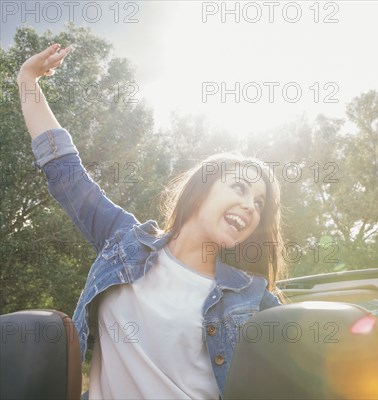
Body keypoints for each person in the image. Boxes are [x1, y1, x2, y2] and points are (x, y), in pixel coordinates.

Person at [17, 44, 286, 399]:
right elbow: (65, 171)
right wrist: (26, 80)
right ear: (201, 190)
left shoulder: (253, 296)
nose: (250, 205)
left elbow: (303, 372)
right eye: (239, 187)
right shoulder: (124, 242)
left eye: (259, 202)